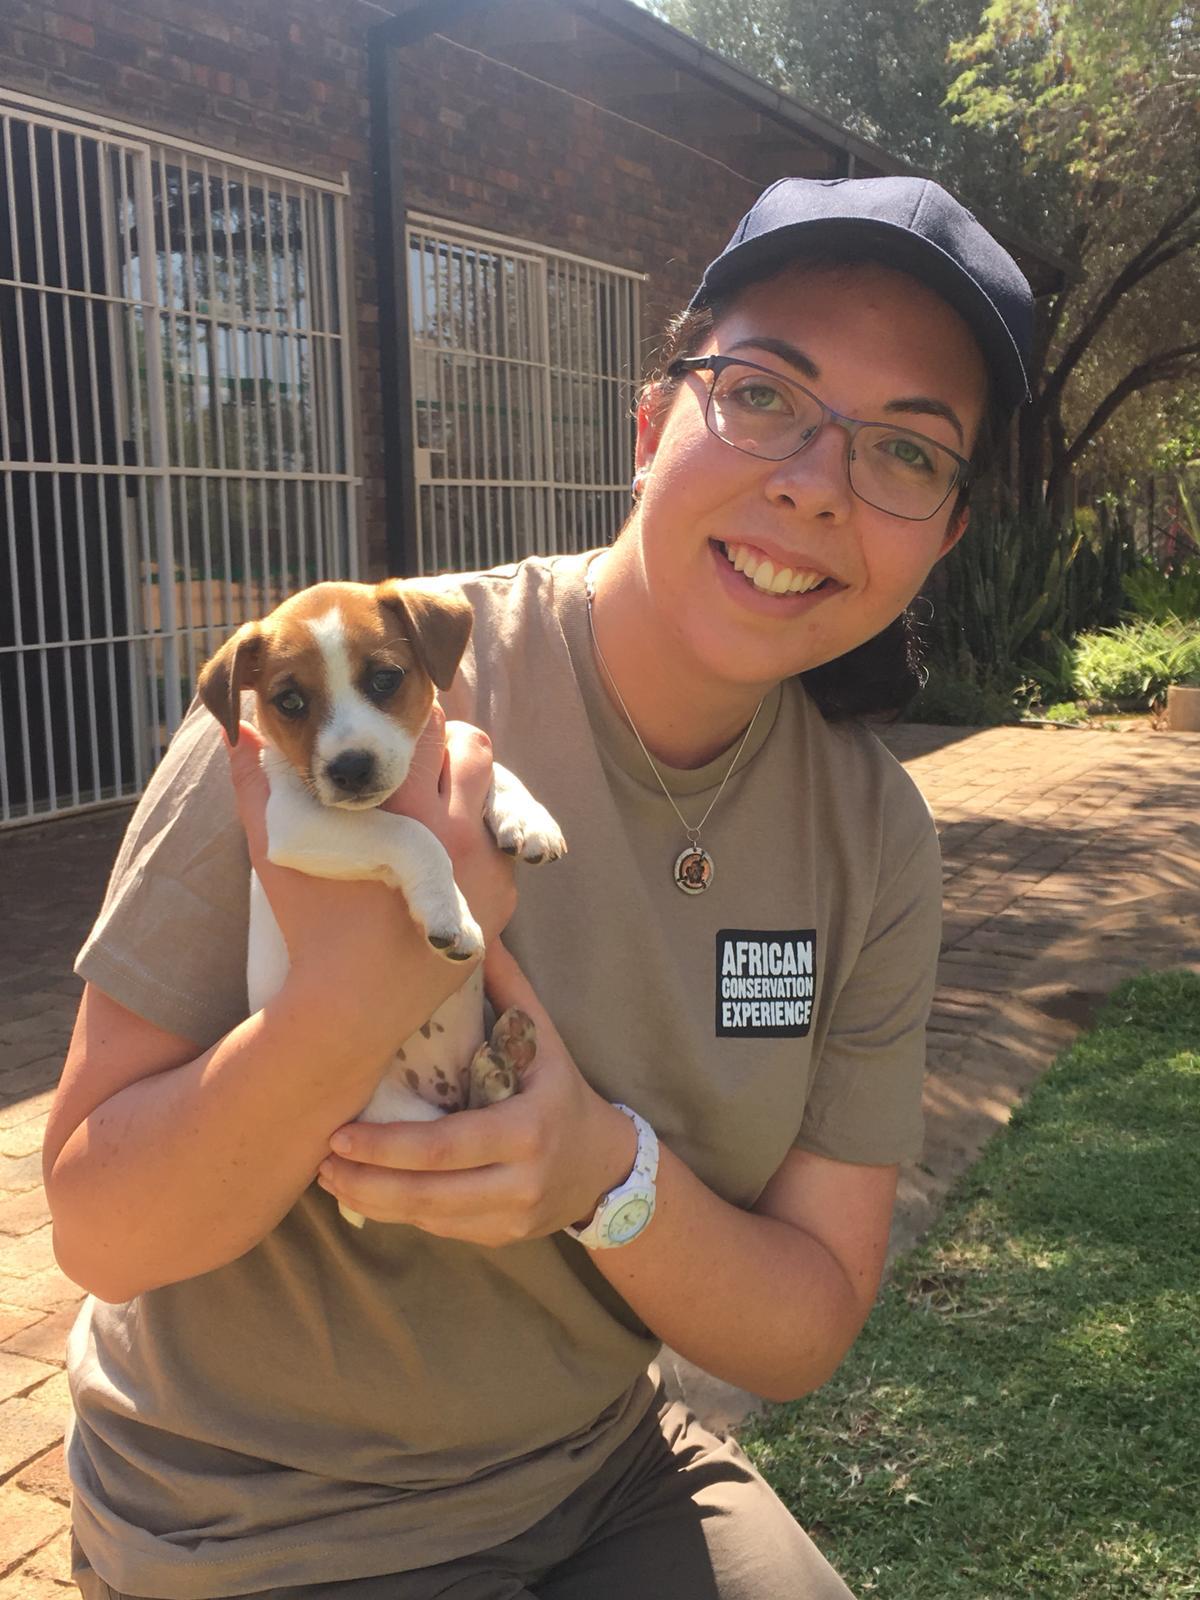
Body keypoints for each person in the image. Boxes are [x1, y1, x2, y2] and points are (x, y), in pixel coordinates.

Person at [45, 175, 1032, 1600]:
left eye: (907, 455)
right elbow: (97, 1227)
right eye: (762, 396)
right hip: (256, 1519)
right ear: (649, 427)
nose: (818, 481)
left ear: (941, 536)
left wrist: (600, 1175)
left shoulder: (870, 836)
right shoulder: (348, 702)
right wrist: (339, 1012)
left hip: (596, 1470)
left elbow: (801, 1326)